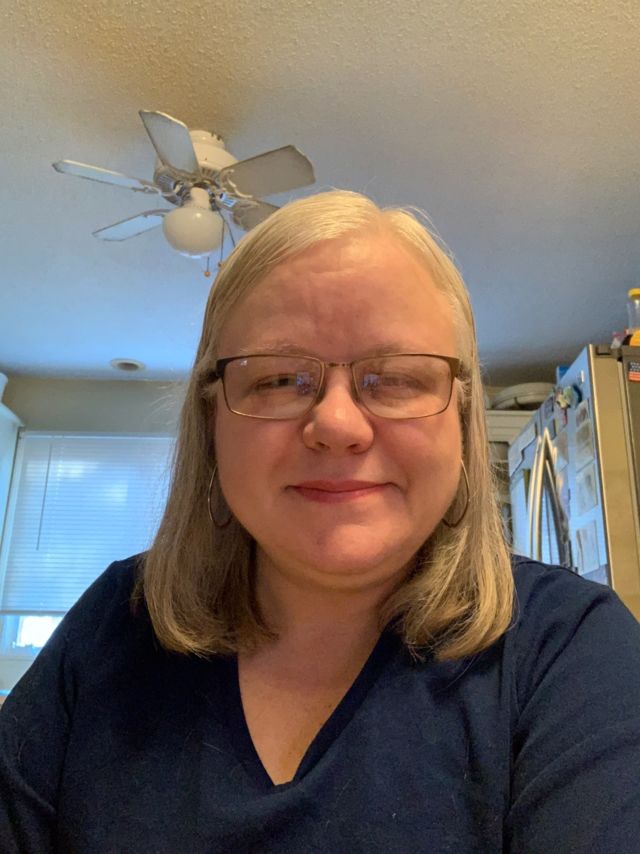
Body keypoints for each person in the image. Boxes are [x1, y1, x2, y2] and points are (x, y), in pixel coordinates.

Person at [1, 190, 639, 853]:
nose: (336, 424)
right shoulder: (116, 621)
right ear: (212, 422)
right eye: (279, 379)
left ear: (462, 420)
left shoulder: (572, 651)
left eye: (397, 377)